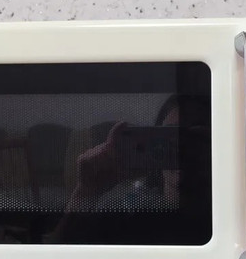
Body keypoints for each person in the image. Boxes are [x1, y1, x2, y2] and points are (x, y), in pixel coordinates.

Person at [47, 95, 211, 245]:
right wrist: (86, 191)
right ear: (154, 142)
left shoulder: (223, 219)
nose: (180, 149)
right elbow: (59, 256)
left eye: (194, 138)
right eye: (171, 137)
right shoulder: (134, 213)